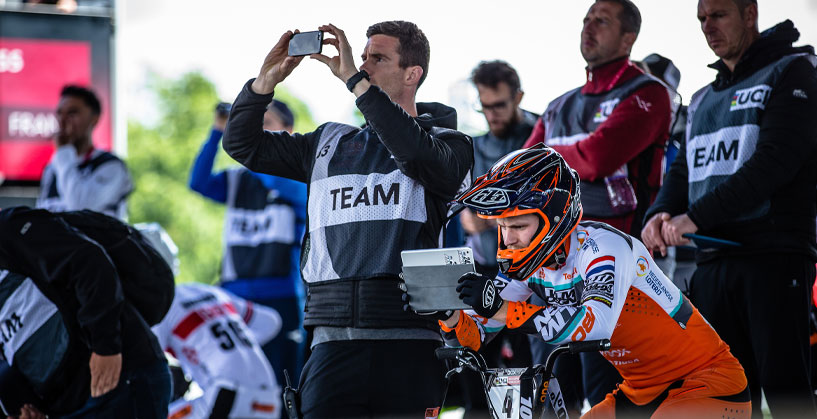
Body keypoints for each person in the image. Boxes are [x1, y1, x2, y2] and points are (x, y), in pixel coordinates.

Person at [222, 21, 474, 417]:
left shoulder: (449, 143)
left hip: (410, 343)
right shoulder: (327, 142)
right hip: (331, 342)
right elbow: (241, 145)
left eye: (378, 58)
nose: (363, 66)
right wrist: (264, 83)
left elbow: (414, 154)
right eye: (363, 58)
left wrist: (358, 85)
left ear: (413, 74)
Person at [437, 145, 751, 417]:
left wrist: (504, 309)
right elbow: (476, 335)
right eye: (502, 227)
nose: (509, 239)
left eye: (518, 225)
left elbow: (596, 323)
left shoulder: (602, 247)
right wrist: (449, 315)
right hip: (639, 393)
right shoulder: (526, 262)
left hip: (706, 382)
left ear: (555, 217)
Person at [641, 0, 817, 416]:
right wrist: (659, 213)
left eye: (718, 15)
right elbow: (683, 169)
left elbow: (776, 161)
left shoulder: (794, 70)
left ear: (749, 14)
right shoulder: (703, 97)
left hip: (773, 255)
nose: (708, 27)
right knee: (727, 398)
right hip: (712, 261)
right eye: (701, 19)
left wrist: (696, 216)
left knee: (787, 391)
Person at [524, 0, 674, 408]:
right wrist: (574, 150)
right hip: (552, 271)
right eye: (586, 19)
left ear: (629, 37)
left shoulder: (649, 93)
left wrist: (552, 152)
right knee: (553, 393)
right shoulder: (558, 104)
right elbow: (523, 170)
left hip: (617, 269)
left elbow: (600, 157)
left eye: (602, 21)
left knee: (608, 396)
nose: (588, 28)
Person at [0, 206, 170, 418]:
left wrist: (105, 346)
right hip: (69, 404)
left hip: (120, 381)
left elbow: (89, 261)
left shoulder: (8, 229)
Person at [189, 100, 307, 386]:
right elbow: (198, 181)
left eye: (265, 124)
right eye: (255, 125)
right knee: (236, 381)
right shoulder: (237, 179)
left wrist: (248, 143)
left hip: (282, 298)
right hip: (234, 295)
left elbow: (277, 182)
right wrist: (219, 130)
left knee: (282, 383)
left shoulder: (300, 178)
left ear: (288, 132)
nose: (258, 131)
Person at [155, 283, 283, 419]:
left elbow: (146, 362)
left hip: (226, 394)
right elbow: (272, 321)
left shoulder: (160, 305)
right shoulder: (208, 290)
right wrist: (240, 346)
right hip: (269, 398)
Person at [37, 85, 132, 220]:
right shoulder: (53, 168)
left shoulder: (111, 166)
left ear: (94, 118)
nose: (63, 121)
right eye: (59, 113)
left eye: (72, 113)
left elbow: (80, 207)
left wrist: (64, 151)